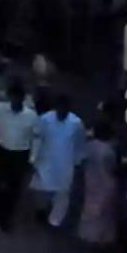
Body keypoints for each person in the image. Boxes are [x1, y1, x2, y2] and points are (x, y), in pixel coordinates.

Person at [0, 81, 40, 231]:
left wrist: (33, 158)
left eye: (19, 98)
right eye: (13, 97)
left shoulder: (31, 116)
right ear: (10, 97)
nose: (15, 101)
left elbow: (36, 137)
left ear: (23, 99)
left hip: (20, 154)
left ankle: (6, 217)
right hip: (1, 150)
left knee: (14, 187)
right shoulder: (0, 109)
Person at [31, 93, 86, 230]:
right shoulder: (45, 119)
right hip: (46, 159)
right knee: (42, 189)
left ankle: (54, 221)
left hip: (66, 162)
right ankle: (41, 210)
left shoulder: (76, 123)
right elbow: (37, 139)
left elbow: (79, 144)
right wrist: (33, 158)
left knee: (63, 193)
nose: (62, 111)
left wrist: (78, 162)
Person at [77, 117, 120, 247]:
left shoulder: (89, 146)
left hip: (91, 180)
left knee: (90, 208)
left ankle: (87, 235)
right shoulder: (108, 150)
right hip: (106, 183)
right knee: (104, 212)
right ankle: (102, 238)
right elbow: (112, 168)